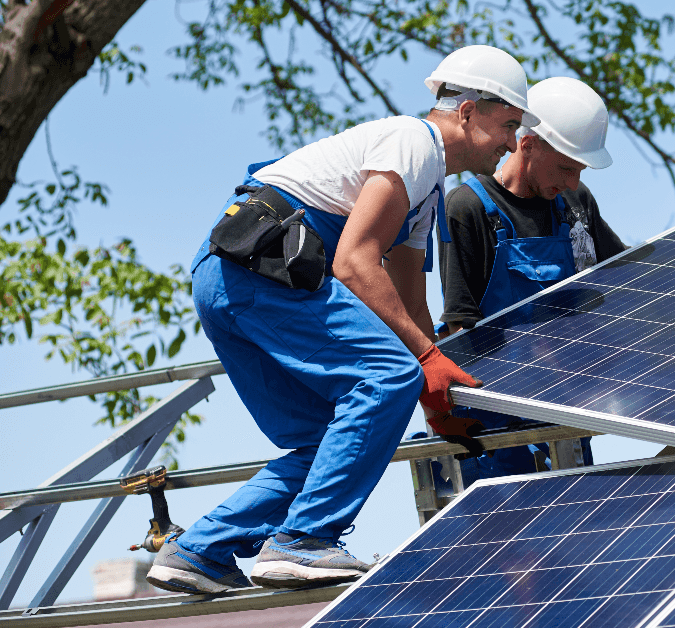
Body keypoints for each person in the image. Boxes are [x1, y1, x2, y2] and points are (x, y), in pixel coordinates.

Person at [146, 45, 536, 594]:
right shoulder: (413, 144)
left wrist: (431, 389)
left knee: (329, 441)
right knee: (383, 379)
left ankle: (200, 551)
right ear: (467, 111)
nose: (510, 142)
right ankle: (303, 540)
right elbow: (355, 262)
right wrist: (420, 363)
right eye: (508, 124)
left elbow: (406, 295)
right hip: (266, 274)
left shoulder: (424, 191)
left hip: (229, 279)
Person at [434, 77, 626, 485]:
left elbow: (628, 280)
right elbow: (460, 327)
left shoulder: (576, 204)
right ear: (528, 143)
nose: (573, 182)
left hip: (566, 408)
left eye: (580, 171)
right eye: (566, 168)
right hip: (500, 428)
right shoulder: (467, 208)